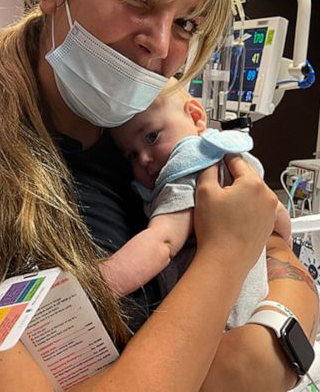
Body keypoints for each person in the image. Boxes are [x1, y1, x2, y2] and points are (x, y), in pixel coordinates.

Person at [0, 0, 320, 392]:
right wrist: (226, 266)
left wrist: (268, 344)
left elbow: (277, 251)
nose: (158, 42)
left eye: (186, 22)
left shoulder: (147, 148)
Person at [104, 79, 293, 330]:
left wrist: (99, 284)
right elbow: (276, 212)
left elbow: (162, 243)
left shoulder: (186, 170)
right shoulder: (229, 155)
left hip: (214, 322)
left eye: (151, 137)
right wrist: (285, 244)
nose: (145, 159)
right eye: (132, 155)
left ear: (195, 116)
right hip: (253, 306)